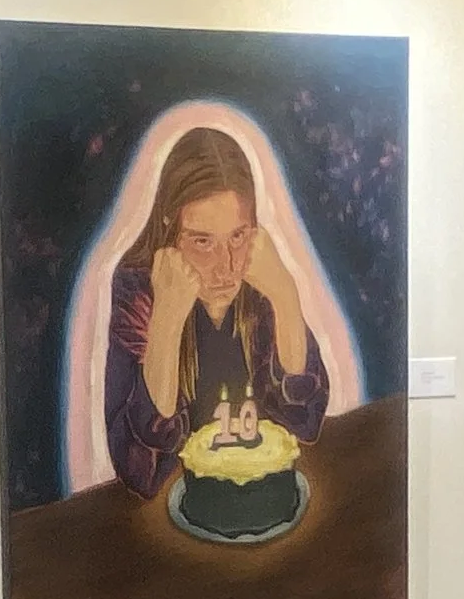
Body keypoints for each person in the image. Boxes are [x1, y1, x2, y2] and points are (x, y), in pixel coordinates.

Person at [103, 126, 329, 498]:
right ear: (169, 226)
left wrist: (286, 296)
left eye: (237, 235)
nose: (226, 267)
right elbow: (139, 471)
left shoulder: (258, 273)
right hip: (181, 507)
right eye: (202, 241)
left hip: (262, 494)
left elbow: (305, 422)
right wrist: (167, 320)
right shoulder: (138, 287)